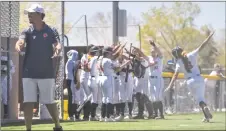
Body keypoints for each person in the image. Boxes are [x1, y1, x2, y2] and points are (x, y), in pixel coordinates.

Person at [15, 4, 62, 131]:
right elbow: (21, 41)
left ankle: (57, 125)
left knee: (49, 101)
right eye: (28, 14)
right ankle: (28, 129)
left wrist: (57, 50)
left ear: (40, 15)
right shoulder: (26, 31)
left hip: (46, 72)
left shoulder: (51, 30)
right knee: (28, 101)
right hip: (28, 72)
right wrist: (19, 45)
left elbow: (57, 44)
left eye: (32, 13)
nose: (29, 16)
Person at [165, 31, 215, 122]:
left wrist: (170, 85)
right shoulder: (191, 54)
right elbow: (202, 46)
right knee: (201, 98)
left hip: (191, 81)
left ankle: (205, 111)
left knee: (198, 100)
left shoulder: (179, 62)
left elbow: (175, 75)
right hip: (199, 78)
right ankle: (206, 115)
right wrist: (209, 37)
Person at [98, 46, 131, 122]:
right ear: (107, 53)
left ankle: (102, 116)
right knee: (109, 98)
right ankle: (108, 116)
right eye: (111, 52)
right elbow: (117, 69)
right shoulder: (108, 60)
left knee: (104, 98)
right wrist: (125, 63)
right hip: (108, 78)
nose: (112, 54)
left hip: (102, 78)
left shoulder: (100, 59)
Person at [148, 40, 164, 119]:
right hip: (151, 80)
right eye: (151, 51)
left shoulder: (160, 58)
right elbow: (142, 56)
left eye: (154, 51)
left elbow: (160, 53)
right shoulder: (149, 58)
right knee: (153, 97)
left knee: (158, 97)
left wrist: (154, 45)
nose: (153, 52)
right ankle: (155, 114)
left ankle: (161, 115)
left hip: (158, 79)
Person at [1, 47, 15, 118]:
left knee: (5, 98)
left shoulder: (7, 59)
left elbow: (13, 69)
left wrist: (6, 71)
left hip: (5, 80)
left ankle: (6, 115)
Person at [65, 49, 79, 120]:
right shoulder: (70, 62)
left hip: (71, 80)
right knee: (71, 97)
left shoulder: (71, 62)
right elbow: (72, 72)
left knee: (73, 97)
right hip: (70, 80)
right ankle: (70, 114)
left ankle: (73, 113)